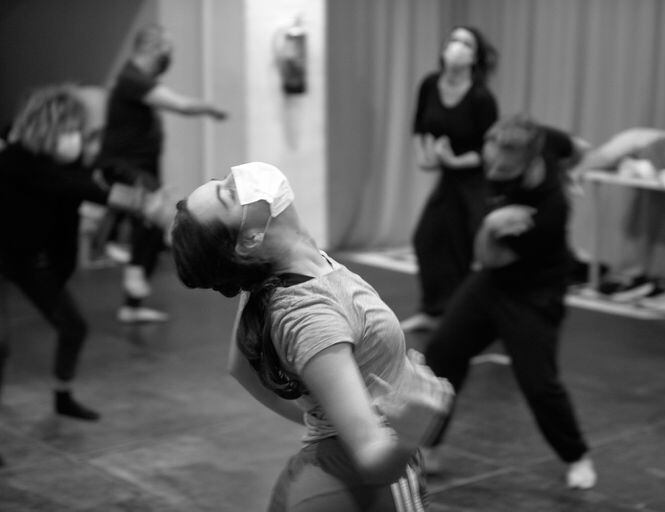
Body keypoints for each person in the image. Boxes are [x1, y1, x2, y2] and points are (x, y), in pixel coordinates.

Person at [170, 161, 454, 511]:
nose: (237, 177)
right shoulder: (311, 316)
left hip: (334, 466)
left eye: (221, 180)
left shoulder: (273, 270)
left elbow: (237, 367)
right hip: (363, 482)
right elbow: (371, 457)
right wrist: (412, 431)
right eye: (229, 193)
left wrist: (323, 415)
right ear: (249, 239)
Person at [421, 114, 597, 489]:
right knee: (441, 355)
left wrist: (490, 227)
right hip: (490, 284)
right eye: (491, 158)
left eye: (505, 167)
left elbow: (491, 256)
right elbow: (579, 149)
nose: (494, 169)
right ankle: (428, 446)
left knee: (538, 383)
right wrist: (492, 223)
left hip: (534, 292)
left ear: (532, 159)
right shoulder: (529, 140)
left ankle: (576, 455)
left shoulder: (549, 210)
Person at [0, 84, 173, 421]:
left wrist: (138, 192)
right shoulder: (16, 162)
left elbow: (89, 181)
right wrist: (144, 204)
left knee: (73, 327)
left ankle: (63, 396)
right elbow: (81, 188)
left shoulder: (61, 164)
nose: (78, 137)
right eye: (72, 130)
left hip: (29, 261)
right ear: (49, 127)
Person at [97, 23, 228, 324]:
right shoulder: (132, 78)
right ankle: (111, 248)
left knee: (153, 218)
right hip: (121, 166)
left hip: (139, 167)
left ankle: (132, 303)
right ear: (153, 48)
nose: (169, 57)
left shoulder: (138, 80)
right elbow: (180, 105)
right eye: (167, 50)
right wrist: (211, 108)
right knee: (155, 210)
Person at [400, 26, 499, 332]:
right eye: (453, 40)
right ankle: (435, 312)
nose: (457, 47)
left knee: (472, 249)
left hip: (475, 181)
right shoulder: (431, 84)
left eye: (466, 43)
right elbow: (419, 126)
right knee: (427, 240)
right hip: (448, 179)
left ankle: (477, 318)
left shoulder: (481, 97)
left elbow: (490, 149)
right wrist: (424, 157)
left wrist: (455, 160)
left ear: (475, 56)